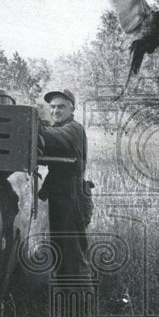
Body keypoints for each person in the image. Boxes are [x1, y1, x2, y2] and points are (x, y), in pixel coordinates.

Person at [38, 89, 92, 278]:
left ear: (72, 109)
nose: (55, 111)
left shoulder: (73, 129)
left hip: (72, 196)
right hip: (61, 195)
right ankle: (66, 296)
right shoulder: (59, 128)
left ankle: (82, 301)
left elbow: (54, 137)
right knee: (60, 248)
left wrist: (31, 127)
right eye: (52, 107)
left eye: (61, 107)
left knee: (73, 252)